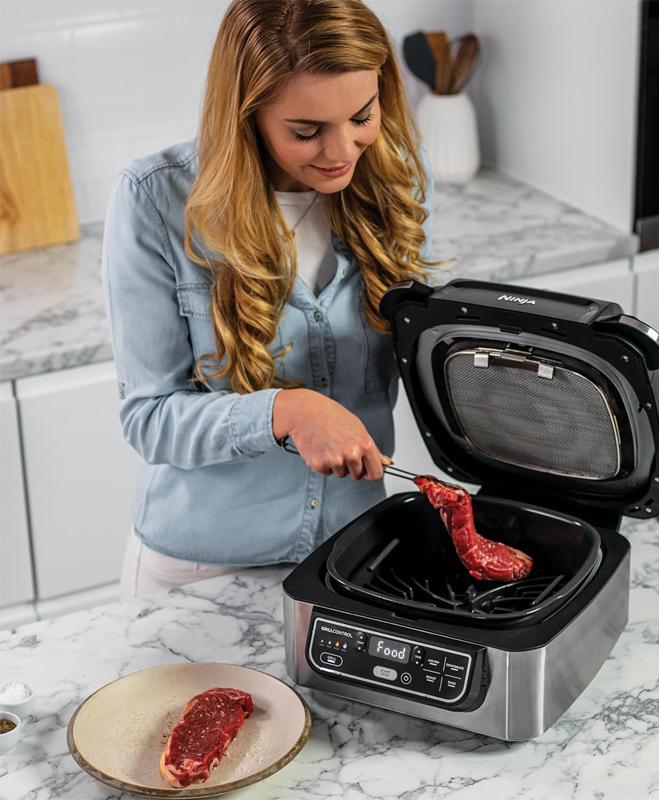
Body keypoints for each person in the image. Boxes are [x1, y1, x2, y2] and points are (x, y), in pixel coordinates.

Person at [102, 0, 449, 600]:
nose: (341, 151)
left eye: (362, 116)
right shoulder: (154, 200)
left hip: (352, 551)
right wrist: (285, 412)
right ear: (247, 114)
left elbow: (419, 358)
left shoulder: (398, 181)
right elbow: (150, 418)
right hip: (201, 566)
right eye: (307, 131)